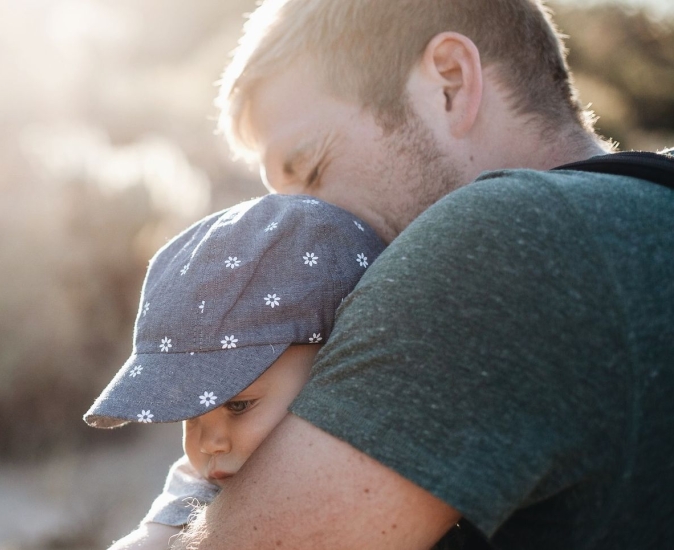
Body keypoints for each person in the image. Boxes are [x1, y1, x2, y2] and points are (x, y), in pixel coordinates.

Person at [167, 0, 674, 548]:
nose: (297, 230)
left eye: (311, 169)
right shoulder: (646, 212)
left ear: (450, 83)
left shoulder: (495, 243)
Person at [82, 194, 385, 549]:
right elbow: (159, 533)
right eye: (191, 415)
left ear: (335, 362)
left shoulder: (381, 461)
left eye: (238, 405)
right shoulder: (209, 482)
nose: (208, 445)